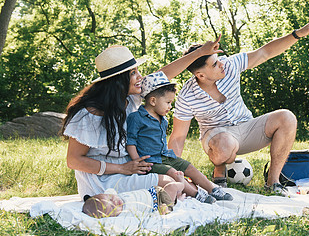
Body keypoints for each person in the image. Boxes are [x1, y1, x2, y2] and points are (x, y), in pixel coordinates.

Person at [168, 14, 309, 196]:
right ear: (200, 75)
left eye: (218, 60)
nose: (221, 65)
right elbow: (178, 137)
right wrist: (172, 172)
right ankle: (219, 171)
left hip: (247, 128)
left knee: (287, 117)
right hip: (217, 137)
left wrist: (298, 34)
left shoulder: (229, 65)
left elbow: (265, 52)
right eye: (214, 64)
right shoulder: (187, 95)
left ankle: (273, 182)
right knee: (224, 144)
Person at [62, 37, 221, 198]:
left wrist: (200, 52)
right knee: (170, 183)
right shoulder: (89, 114)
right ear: (118, 81)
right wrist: (122, 168)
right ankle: (198, 197)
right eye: (133, 73)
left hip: (132, 167)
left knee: (177, 181)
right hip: (103, 180)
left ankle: (206, 193)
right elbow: (74, 161)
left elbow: (163, 75)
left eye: (137, 71)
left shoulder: (129, 99)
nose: (140, 77)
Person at [126, 71, 233, 203]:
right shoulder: (136, 117)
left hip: (166, 156)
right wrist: (137, 162)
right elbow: (130, 142)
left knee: (189, 167)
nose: (170, 107)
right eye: (168, 102)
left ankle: (212, 189)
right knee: (173, 173)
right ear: (153, 101)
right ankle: (197, 194)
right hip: (150, 162)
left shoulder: (162, 119)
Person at [82, 179, 184, 218]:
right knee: (171, 187)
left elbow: (109, 191)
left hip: (153, 191)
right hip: (159, 203)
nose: (115, 200)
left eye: (110, 198)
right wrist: (158, 213)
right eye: (113, 206)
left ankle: (177, 198)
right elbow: (146, 217)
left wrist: (91, 199)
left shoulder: (115, 196)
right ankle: (182, 184)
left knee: (169, 189)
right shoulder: (127, 213)